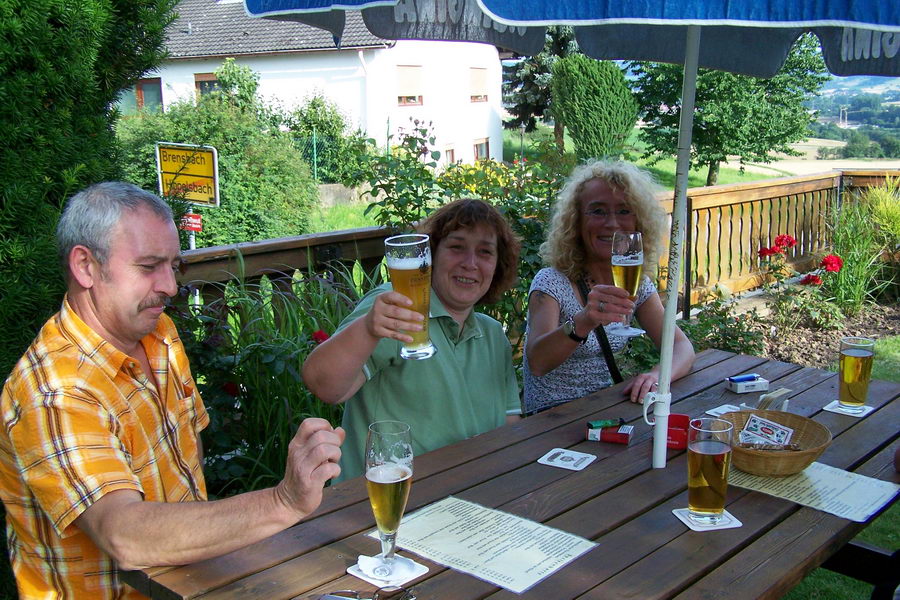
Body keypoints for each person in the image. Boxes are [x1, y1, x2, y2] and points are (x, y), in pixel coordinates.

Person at [0, 182, 345, 599]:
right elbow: (124, 535)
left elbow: (189, 454)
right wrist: (283, 501)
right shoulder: (55, 389)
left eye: (173, 266)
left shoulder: (157, 331)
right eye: (149, 267)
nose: (170, 285)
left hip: (193, 585)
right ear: (86, 266)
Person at [303, 198, 522, 481]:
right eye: (456, 247)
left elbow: (509, 425)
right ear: (430, 255)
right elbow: (325, 387)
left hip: (467, 500)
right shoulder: (397, 311)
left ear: (497, 265)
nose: (470, 263)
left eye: (485, 252)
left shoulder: (492, 335)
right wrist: (368, 328)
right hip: (384, 504)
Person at [523, 160, 695, 414]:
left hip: (606, 411)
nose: (612, 223)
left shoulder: (636, 283)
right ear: (576, 223)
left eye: (624, 211)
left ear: (639, 222)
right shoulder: (551, 282)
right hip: (552, 419)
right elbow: (537, 362)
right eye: (598, 211)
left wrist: (658, 375)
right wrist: (585, 320)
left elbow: (681, 347)